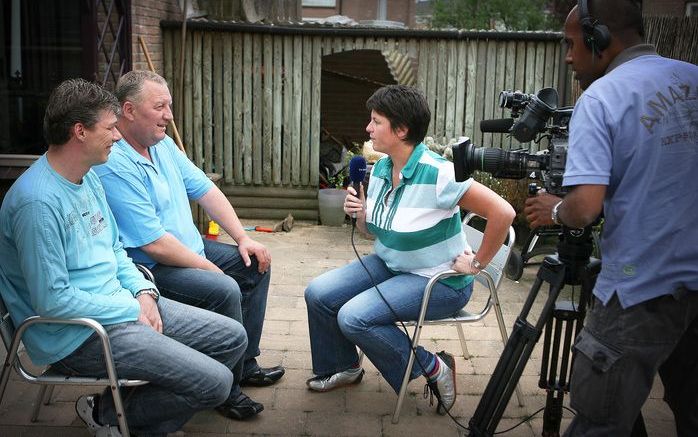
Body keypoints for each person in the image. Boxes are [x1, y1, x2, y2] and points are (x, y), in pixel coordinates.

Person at [0, 79, 250, 437]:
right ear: (80, 132)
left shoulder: (86, 178)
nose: (118, 137)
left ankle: (116, 414)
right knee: (216, 383)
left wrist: (142, 292)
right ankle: (118, 417)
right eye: (110, 127)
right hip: (77, 334)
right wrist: (132, 310)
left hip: (122, 304)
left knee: (232, 339)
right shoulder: (37, 204)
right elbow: (52, 301)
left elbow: (115, 249)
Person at [523, 1, 698, 435]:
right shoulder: (693, 78)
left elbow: (584, 208)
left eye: (571, 43)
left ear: (599, 38)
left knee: (599, 422)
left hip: (639, 290)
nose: (567, 56)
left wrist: (554, 209)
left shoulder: (601, 98)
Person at [304, 85, 515, 414]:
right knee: (318, 293)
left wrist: (477, 263)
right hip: (392, 265)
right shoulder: (383, 170)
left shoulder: (440, 174)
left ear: (401, 129)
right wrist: (360, 213)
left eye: (375, 121)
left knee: (355, 317)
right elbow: (370, 233)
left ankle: (432, 366)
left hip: (440, 282)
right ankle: (342, 366)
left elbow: (504, 213)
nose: (367, 128)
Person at [94, 71, 284, 419]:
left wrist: (243, 238)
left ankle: (244, 362)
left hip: (189, 250)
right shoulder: (114, 163)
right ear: (129, 110)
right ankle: (227, 390)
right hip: (153, 268)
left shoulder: (162, 144)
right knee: (223, 288)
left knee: (255, 263)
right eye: (160, 106)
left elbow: (204, 189)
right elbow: (153, 244)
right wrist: (208, 267)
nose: (169, 115)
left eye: (170, 105)